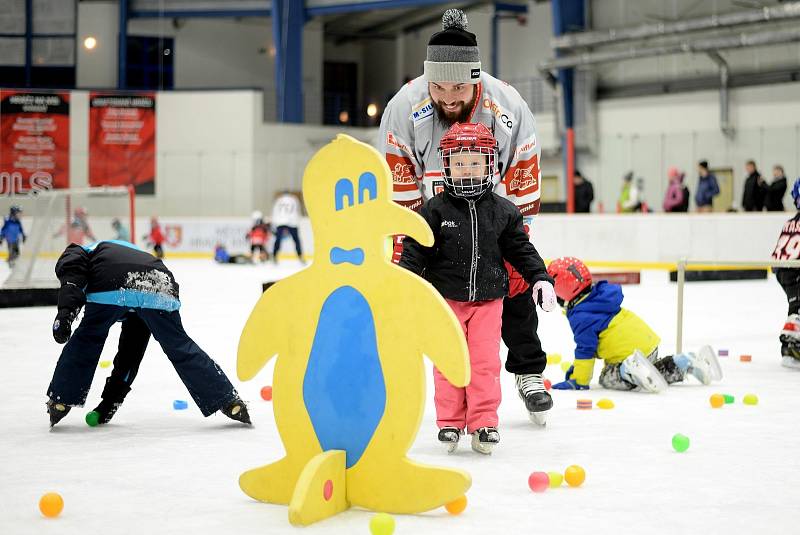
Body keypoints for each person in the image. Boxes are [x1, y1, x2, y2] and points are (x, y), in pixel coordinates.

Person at [378, 8, 554, 425]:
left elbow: (524, 183)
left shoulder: (509, 107)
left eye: (458, 86)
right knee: (435, 310)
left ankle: (528, 371)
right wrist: (407, 256)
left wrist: (516, 242)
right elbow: (398, 189)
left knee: (512, 290)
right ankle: (424, 389)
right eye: (437, 86)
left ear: (475, 77)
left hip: (494, 217)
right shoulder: (406, 107)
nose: (448, 96)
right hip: (436, 223)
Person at [399, 123, 556, 454]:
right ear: (446, 166)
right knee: (448, 361)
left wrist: (540, 277)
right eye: (459, 163)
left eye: (474, 162)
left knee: (484, 362)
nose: (466, 169)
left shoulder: (503, 211)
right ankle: (450, 422)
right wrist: (405, 285)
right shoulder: (434, 210)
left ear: (489, 164)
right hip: (446, 302)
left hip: (488, 302)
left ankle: (484, 422)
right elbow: (416, 251)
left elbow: (521, 251)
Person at [46, 239, 250, 427]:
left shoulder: (81, 250)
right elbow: (130, 356)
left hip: (112, 281)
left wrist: (65, 314)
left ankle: (61, 400)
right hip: (160, 284)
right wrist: (109, 403)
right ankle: (227, 399)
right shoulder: (129, 251)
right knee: (178, 345)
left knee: (87, 339)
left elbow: (72, 279)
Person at [547, 256, 723, 392]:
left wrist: (578, 381)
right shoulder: (598, 297)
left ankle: (628, 369)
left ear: (564, 290)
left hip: (629, 355)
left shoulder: (581, 315)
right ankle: (685, 362)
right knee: (654, 373)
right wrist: (576, 369)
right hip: (648, 344)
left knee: (607, 377)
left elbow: (585, 349)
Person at [771, 178, 800, 369]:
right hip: (795, 269)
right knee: (797, 308)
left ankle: (790, 346)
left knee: (796, 305)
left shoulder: (790, 222)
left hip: (782, 270)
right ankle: (790, 343)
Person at [271, 191, 304, 264]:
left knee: (278, 240)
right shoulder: (294, 199)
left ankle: (274, 256)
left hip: (280, 221)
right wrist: (298, 220)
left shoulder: (279, 200)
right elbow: (298, 210)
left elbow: (275, 211)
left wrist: (274, 222)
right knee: (296, 240)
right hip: (292, 221)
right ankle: (300, 256)